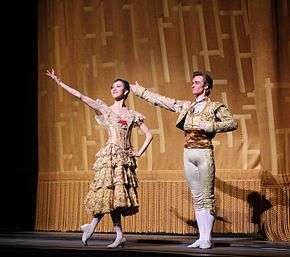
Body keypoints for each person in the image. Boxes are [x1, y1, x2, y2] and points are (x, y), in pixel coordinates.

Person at [46, 69, 153, 248]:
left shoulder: (133, 114)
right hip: (110, 156)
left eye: (118, 86)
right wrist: (59, 83)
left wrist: (139, 152)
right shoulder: (105, 109)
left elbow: (149, 134)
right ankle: (113, 232)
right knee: (108, 194)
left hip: (124, 158)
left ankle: (97, 228)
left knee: (115, 196)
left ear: (126, 91)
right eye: (112, 87)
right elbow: (81, 96)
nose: (114, 89)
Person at [130, 71, 238, 249]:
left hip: (204, 153)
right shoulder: (187, 106)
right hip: (188, 154)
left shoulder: (215, 107)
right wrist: (140, 91)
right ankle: (201, 237)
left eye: (197, 82)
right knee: (197, 197)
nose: (193, 85)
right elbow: (164, 101)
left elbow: (232, 123)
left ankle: (207, 238)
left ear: (206, 87)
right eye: (193, 82)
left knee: (207, 197)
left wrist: (210, 125)